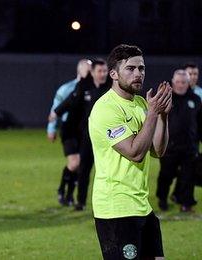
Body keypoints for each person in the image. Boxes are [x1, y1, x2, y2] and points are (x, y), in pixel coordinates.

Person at [89, 44, 170, 259]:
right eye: (131, 69)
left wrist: (162, 115)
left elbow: (157, 151)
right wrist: (153, 114)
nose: (138, 74)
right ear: (113, 74)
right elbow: (135, 152)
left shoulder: (142, 103)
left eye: (141, 69)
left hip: (142, 206)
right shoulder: (106, 108)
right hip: (116, 209)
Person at [51, 59, 111, 211]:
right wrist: (55, 114)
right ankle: (77, 199)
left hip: (103, 136)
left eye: (105, 71)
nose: (103, 74)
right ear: (92, 72)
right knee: (81, 166)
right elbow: (69, 102)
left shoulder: (110, 87)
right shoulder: (81, 86)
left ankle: (72, 194)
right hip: (77, 132)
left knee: (108, 169)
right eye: (100, 71)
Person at [47, 59, 91, 206]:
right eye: (88, 69)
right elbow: (56, 109)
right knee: (74, 163)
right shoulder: (66, 89)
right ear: (80, 71)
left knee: (79, 165)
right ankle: (62, 190)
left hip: (84, 131)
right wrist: (51, 129)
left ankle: (69, 195)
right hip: (69, 130)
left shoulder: (92, 89)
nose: (90, 72)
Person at [156, 69, 200, 212]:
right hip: (169, 147)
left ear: (188, 83)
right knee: (166, 175)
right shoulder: (165, 98)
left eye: (184, 82)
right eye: (178, 82)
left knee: (188, 177)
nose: (181, 85)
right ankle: (162, 199)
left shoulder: (195, 99)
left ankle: (186, 203)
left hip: (189, 147)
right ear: (173, 82)